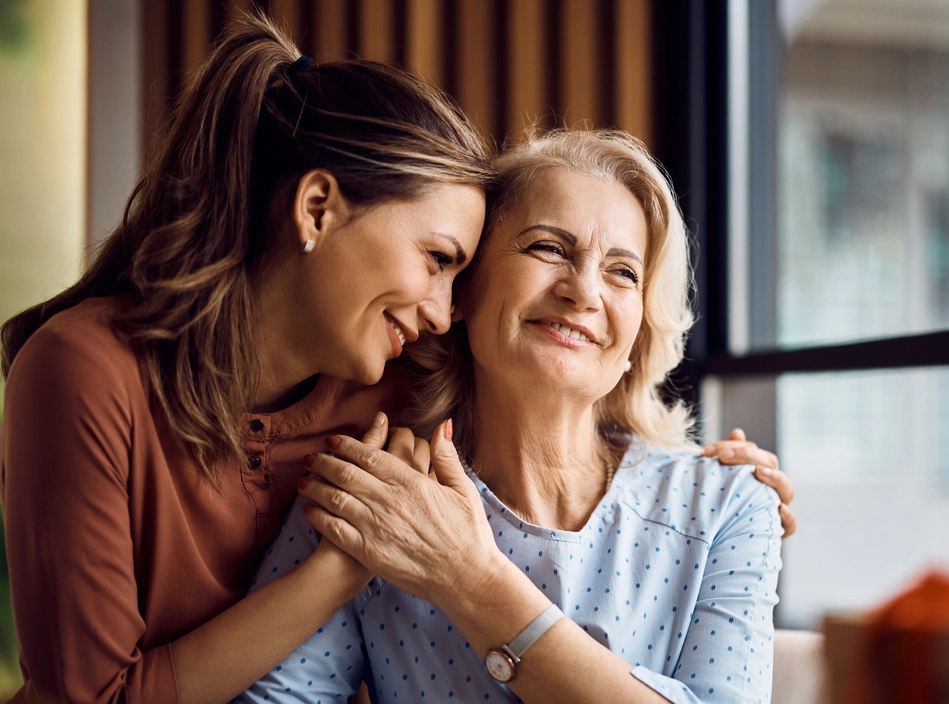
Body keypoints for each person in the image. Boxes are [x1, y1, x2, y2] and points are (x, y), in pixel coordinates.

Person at [0, 17, 791, 704]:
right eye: (441, 260)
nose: (444, 310)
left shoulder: (395, 383)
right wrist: (342, 570)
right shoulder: (95, 374)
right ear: (317, 209)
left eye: (624, 270)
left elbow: (560, 384)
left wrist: (728, 483)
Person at [238, 130, 785, 703]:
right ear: (463, 292)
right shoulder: (378, 492)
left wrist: (470, 579)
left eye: (622, 272)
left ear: (638, 337)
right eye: (548, 248)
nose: (584, 292)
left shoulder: (729, 503)